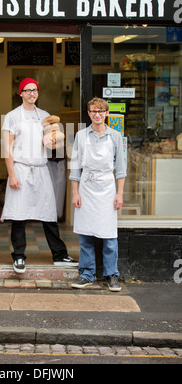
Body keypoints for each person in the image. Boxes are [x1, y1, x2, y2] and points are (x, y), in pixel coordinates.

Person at [1, 77, 78, 273]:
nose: (31, 93)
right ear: (20, 93)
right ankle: (18, 256)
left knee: (48, 213)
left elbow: (50, 143)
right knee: (19, 215)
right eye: (27, 90)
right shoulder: (12, 117)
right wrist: (11, 175)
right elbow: (7, 149)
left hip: (41, 169)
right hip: (20, 168)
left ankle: (59, 254)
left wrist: (55, 143)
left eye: (34, 90)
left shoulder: (44, 116)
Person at [69, 97, 126, 292]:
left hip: (107, 188)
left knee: (109, 235)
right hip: (86, 187)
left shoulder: (115, 136)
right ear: (89, 113)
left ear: (107, 113)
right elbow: (75, 167)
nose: (97, 115)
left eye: (101, 111)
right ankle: (86, 274)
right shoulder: (81, 136)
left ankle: (111, 274)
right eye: (93, 111)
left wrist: (120, 193)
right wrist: (75, 193)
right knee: (85, 235)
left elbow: (120, 168)